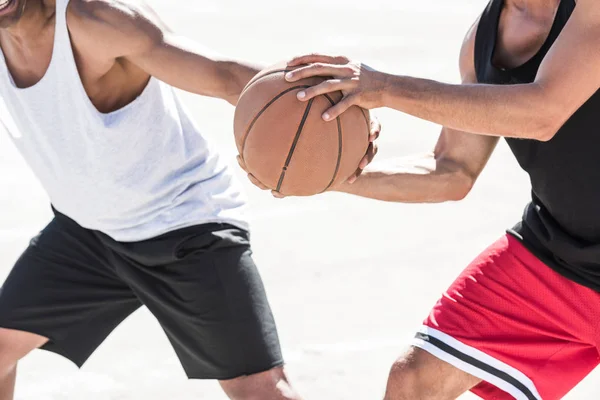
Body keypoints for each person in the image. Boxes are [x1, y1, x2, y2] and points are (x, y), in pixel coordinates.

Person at [0, 0, 381, 398]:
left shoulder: (96, 20)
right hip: (89, 230)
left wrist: (338, 110)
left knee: (261, 389)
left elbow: (224, 76)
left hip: (183, 226)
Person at [241, 0, 600, 398]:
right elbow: (451, 171)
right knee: (413, 380)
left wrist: (386, 88)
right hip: (556, 251)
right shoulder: (483, 39)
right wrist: (329, 177)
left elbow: (544, 112)